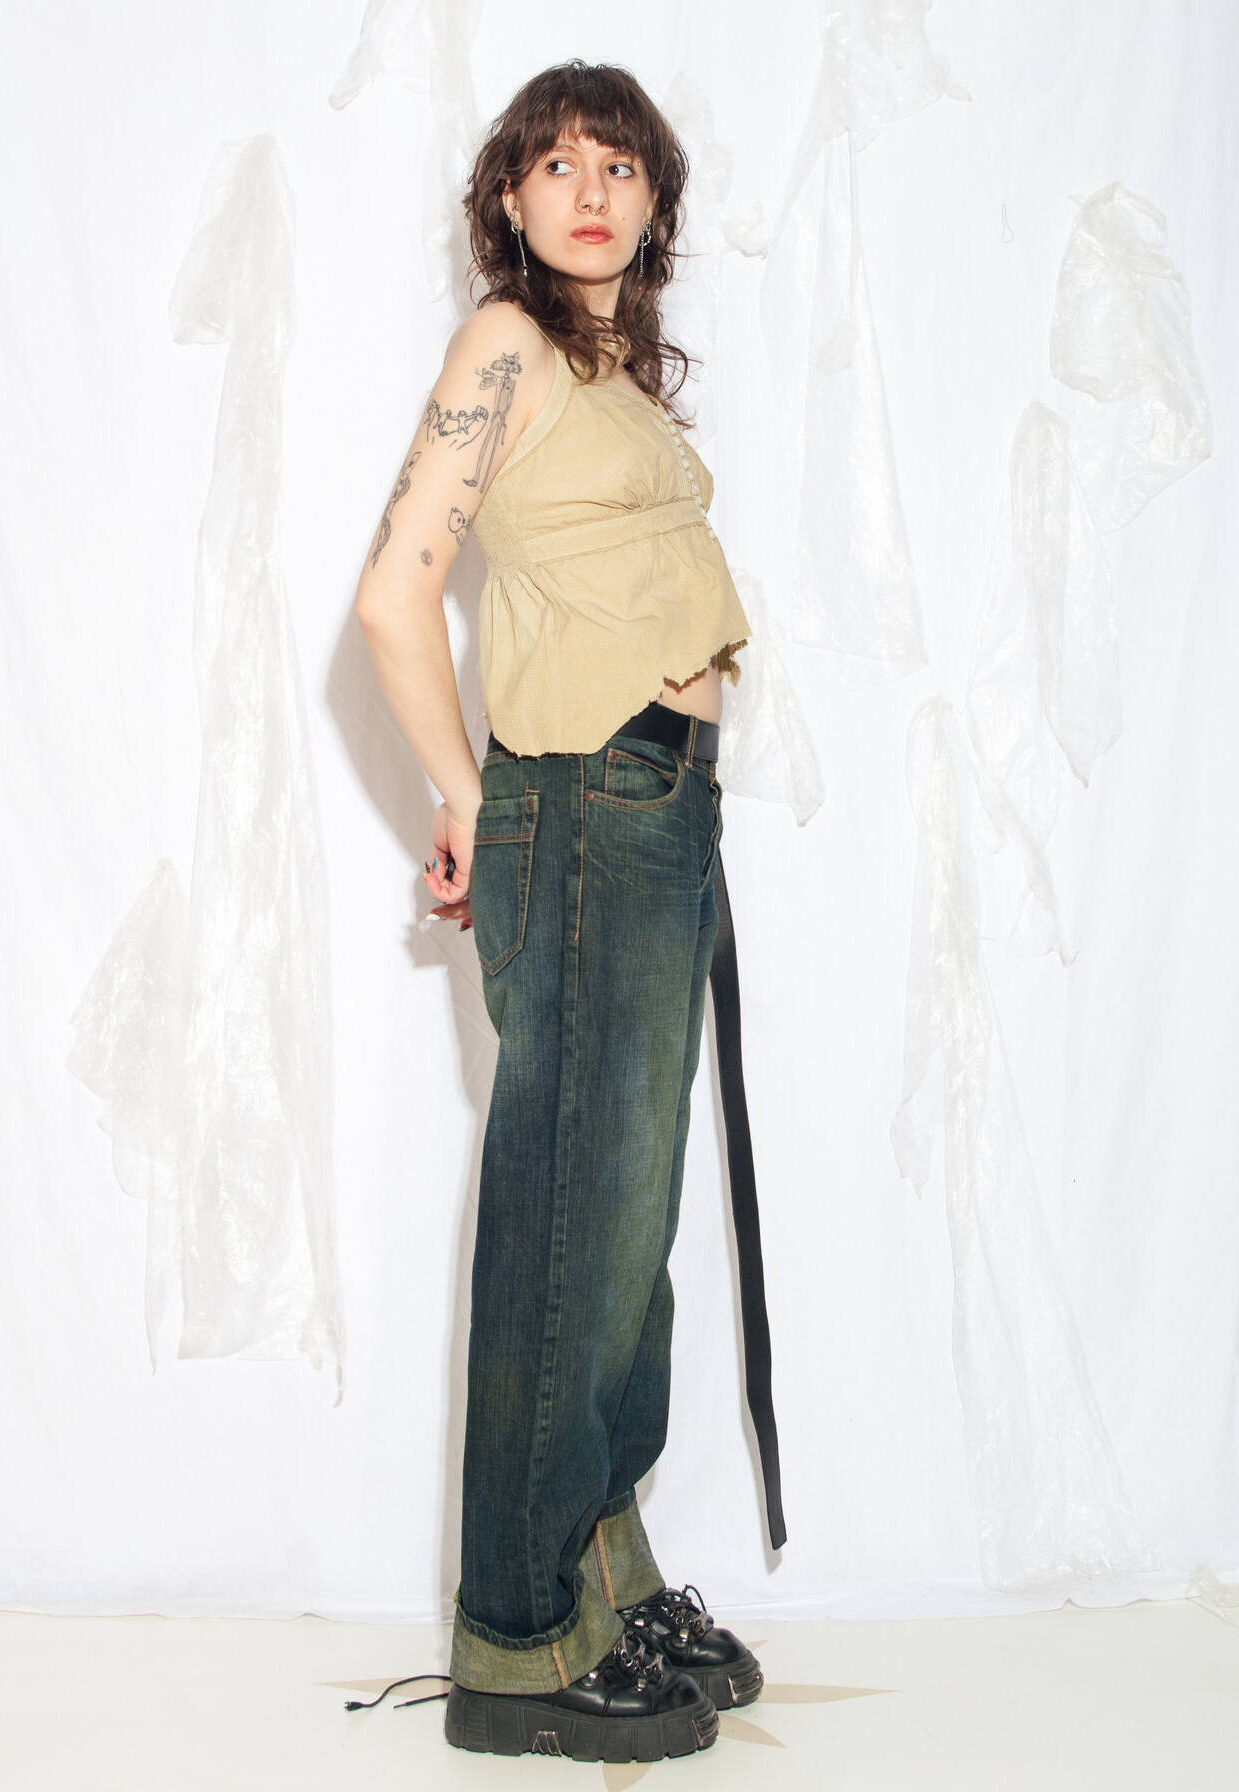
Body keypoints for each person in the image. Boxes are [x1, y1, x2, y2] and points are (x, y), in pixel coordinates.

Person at [355, 60, 762, 1765]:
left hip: (655, 812)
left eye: (621, 165)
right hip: (583, 805)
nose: (591, 192)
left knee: (624, 1243)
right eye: (557, 165)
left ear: (654, 199)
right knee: (564, 1241)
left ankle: (604, 1575)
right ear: (509, 201)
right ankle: (515, 1645)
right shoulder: (505, 347)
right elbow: (394, 600)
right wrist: (473, 803)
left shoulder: (614, 371)